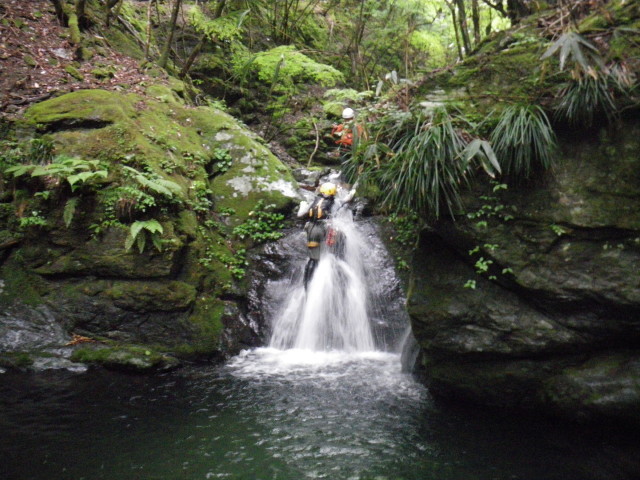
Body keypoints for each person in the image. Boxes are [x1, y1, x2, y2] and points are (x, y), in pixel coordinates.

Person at [297, 181, 356, 289]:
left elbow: (300, 214)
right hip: (325, 228)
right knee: (341, 238)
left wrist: (302, 204)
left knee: (313, 259)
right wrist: (352, 193)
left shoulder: (315, 201)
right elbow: (345, 200)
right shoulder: (335, 201)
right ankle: (339, 261)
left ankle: (308, 284)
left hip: (312, 229)